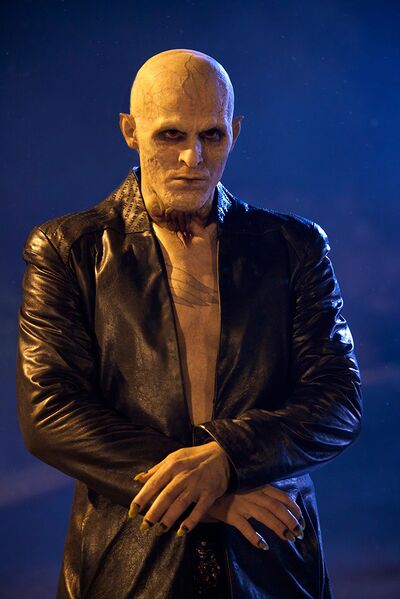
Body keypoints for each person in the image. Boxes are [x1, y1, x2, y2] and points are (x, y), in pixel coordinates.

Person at [16, 49, 362, 599]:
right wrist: (212, 487)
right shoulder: (68, 249)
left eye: (212, 136)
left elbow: (338, 401)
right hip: (133, 557)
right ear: (130, 131)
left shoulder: (293, 247)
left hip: (270, 556)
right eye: (171, 134)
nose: (191, 158)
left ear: (235, 132)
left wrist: (226, 459)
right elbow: (50, 412)